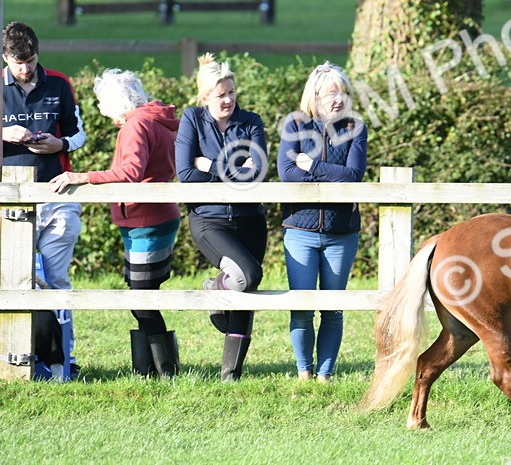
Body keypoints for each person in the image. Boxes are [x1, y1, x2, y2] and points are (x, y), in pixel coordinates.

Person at [48, 70, 182, 378]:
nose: (100, 109)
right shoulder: (154, 120)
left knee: (141, 299)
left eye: (101, 102)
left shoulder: (137, 124)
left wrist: (84, 176)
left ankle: (165, 372)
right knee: (144, 295)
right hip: (154, 217)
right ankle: (149, 370)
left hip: (145, 220)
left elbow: (131, 171)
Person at [2, 22, 87, 380]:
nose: (25, 68)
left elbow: (79, 132)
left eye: (30, 60)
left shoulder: (59, 83)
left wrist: (61, 144)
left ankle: (62, 364)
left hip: (56, 196)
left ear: (38, 52)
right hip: (8, 201)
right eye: (17, 63)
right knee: (13, 280)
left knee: (55, 280)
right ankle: (16, 360)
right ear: (6, 57)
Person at [176, 53, 268, 381]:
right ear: (205, 98)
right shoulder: (192, 119)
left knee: (249, 287)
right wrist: (233, 171)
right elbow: (186, 173)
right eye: (221, 95)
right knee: (246, 274)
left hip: (250, 219)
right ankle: (217, 288)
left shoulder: (251, 121)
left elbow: (256, 173)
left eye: (231, 92)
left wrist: (211, 166)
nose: (228, 99)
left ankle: (231, 375)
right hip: (208, 219)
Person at [277, 64, 367, 383]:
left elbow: (354, 176)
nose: (338, 99)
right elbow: (287, 173)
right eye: (331, 93)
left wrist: (310, 164)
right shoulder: (295, 124)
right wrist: (328, 173)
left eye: (343, 92)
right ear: (314, 96)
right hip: (300, 230)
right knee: (301, 306)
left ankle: (325, 375)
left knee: (333, 308)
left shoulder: (356, 127)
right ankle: (304, 372)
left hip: (341, 232)